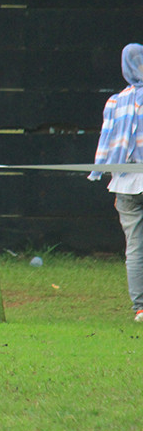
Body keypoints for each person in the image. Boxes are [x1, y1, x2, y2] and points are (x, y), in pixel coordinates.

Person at [89, 43, 143, 322]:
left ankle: (140, 308)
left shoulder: (114, 102)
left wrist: (106, 176)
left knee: (134, 247)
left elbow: (107, 144)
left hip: (125, 184)